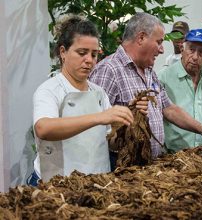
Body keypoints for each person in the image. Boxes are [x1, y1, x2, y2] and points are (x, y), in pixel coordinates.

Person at [89, 12, 202, 168]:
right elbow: (93, 126)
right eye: (159, 42)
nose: (162, 50)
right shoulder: (109, 70)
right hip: (123, 166)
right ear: (141, 38)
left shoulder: (149, 71)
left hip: (150, 165)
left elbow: (168, 108)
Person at [28, 15, 134, 186]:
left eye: (94, 54)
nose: (89, 60)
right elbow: (43, 128)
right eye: (82, 53)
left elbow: (109, 141)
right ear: (63, 52)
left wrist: (123, 129)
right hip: (57, 184)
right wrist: (99, 117)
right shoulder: (50, 90)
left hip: (97, 183)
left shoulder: (99, 93)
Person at [158, 29, 202, 152]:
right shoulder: (164, 77)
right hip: (173, 155)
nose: (195, 57)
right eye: (191, 49)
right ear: (182, 49)